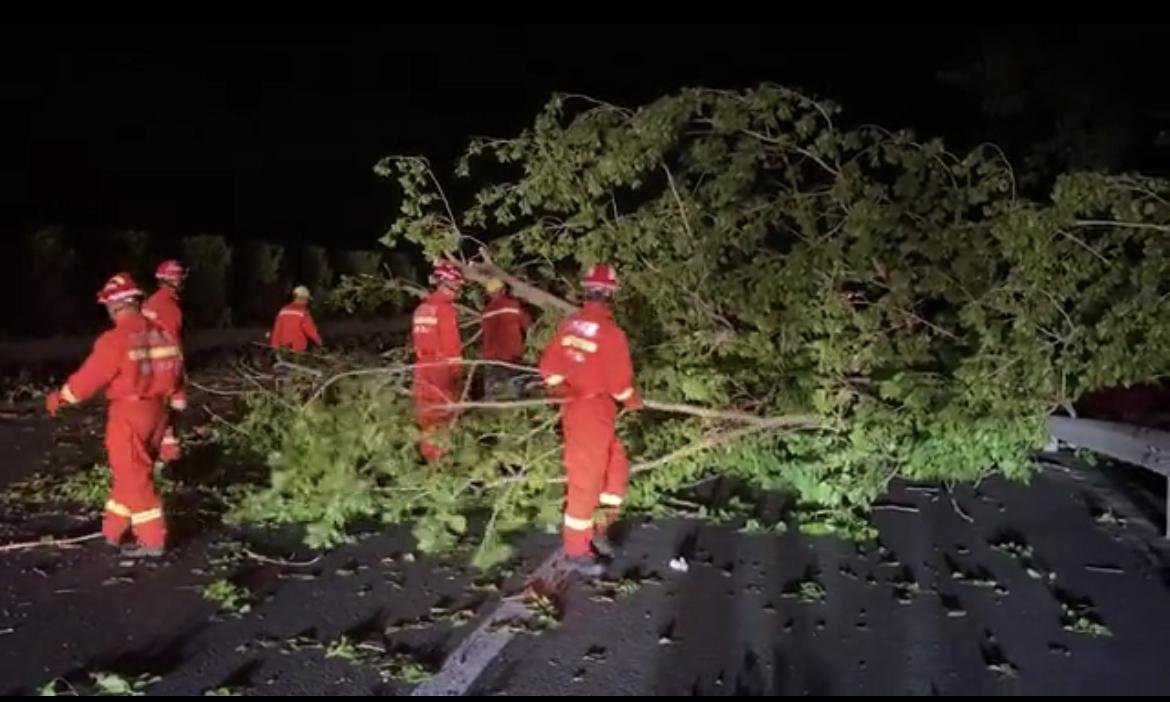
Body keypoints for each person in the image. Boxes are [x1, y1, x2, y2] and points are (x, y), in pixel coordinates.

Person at [45, 273, 183, 557]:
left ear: (113, 306)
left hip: (129, 413)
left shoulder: (115, 338)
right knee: (128, 473)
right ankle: (113, 529)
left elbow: (89, 378)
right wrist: (172, 428)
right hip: (158, 411)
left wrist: (61, 398)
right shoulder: (163, 333)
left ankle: (152, 539)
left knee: (134, 476)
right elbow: (179, 377)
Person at [538, 264, 642, 576]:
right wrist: (633, 401)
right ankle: (575, 549)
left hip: (586, 408)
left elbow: (548, 369)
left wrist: (561, 391)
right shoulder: (611, 334)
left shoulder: (570, 325)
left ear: (586, 292)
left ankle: (599, 526)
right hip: (592, 409)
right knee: (586, 479)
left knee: (615, 465)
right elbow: (620, 383)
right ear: (610, 295)